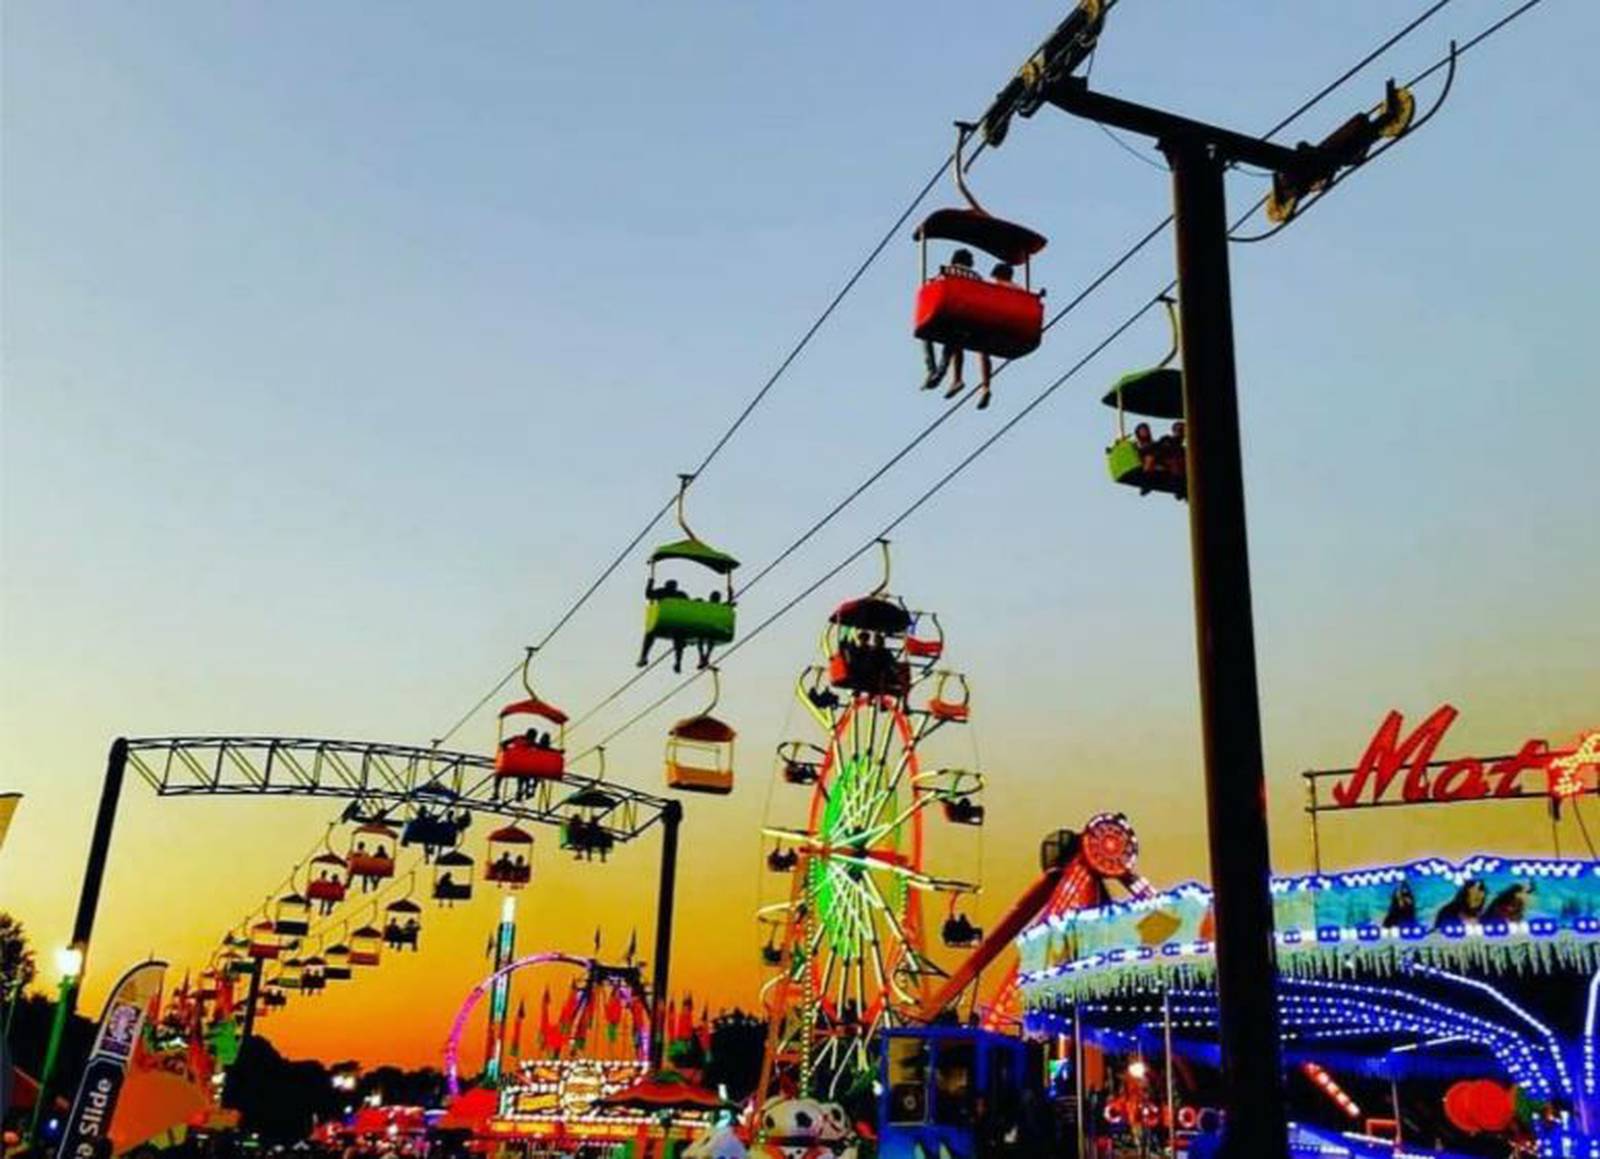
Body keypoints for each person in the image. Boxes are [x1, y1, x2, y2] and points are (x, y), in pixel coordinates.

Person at [922, 249, 981, 399]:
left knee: (925, 332)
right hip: (966, 319)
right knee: (952, 343)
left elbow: (933, 285)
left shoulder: (947, 271)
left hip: (948, 313)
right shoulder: (977, 277)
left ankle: (932, 370)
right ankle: (941, 373)